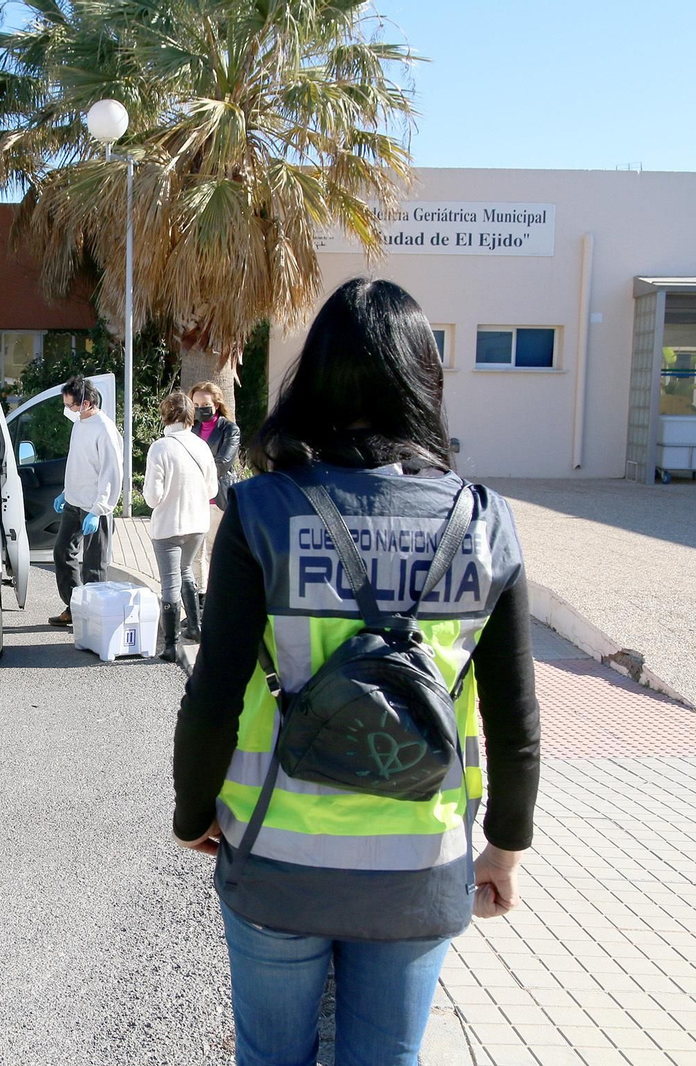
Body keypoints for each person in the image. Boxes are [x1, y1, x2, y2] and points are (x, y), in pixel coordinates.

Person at [172, 278, 539, 1066]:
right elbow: (516, 717)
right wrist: (504, 846)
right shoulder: (483, 522)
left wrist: (194, 810)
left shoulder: (262, 512)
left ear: (316, 378)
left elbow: (214, 698)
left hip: (275, 853)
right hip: (419, 864)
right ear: (423, 382)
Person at [141, 391, 218, 662]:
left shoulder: (160, 448)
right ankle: (195, 628)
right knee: (187, 570)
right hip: (197, 524)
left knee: (170, 582)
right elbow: (212, 488)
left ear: (165, 415)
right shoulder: (201, 446)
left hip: (168, 526)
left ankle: (171, 646)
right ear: (190, 416)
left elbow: (153, 497)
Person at [49, 375, 124, 627]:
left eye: (71, 405)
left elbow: (111, 472)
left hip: (94, 507)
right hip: (74, 501)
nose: (67, 410)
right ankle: (74, 607)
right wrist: (65, 491)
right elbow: (78, 463)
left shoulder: (104, 429)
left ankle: (95, 621)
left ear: (88, 402)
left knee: (94, 565)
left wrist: (99, 509)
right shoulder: (79, 423)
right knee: (62, 552)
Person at [188, 380, 241, 611]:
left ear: (216, 404)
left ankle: (216, 605)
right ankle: (201, 607)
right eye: (196, 404)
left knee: (213, 554)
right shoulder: (191, 430)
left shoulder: (229, 429)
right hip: (195, 500)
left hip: (217, 501)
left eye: (205, 404)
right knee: (197, 557)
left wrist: (193, 474)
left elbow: (222, 463)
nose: (201, 409)